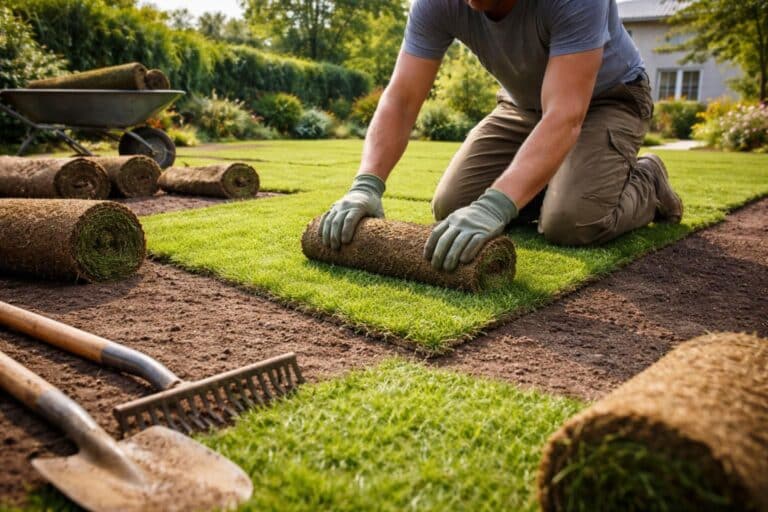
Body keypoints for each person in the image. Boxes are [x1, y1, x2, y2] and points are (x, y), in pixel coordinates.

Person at [318, 0, 683, 272]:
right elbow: (400, 100)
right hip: (522, 105)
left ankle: (648, 180)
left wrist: (497, 206)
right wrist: (366, 184)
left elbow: (566, 115)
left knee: (570, 221)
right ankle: (556, 181)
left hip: (607, 100)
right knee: (453, 205)